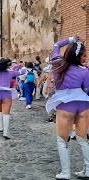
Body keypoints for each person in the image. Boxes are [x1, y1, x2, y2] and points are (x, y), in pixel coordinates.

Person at [46, 36, 89, 179]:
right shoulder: (84, 71)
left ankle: (65, 172)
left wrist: (71, 39)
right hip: (83, 103)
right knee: (83, 139)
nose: (86, 57)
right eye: (84, 55)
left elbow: (57, 45)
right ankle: (88, 170)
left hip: (66, 105)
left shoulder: (58, 64)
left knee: (62, 140)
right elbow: (87, 89)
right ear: (78, 56)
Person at [0, 58, 26, 139]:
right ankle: (6, 132)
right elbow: (22, 72)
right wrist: (21, 66)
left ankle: (0, 127)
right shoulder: (10, 72)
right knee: (6, 113)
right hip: (6, 94)